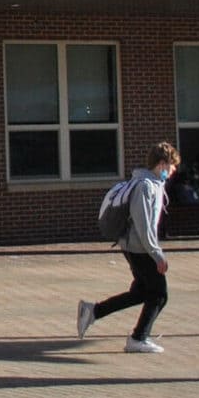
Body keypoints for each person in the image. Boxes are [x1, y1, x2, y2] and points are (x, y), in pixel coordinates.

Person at [77, 143, 178, 353]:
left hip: (136, 247)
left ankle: (93, 311)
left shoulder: (150, 184)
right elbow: (144, 224)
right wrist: (157, 254)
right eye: (172, 165)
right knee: (159, 294)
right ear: (162, 165)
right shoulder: (145, 186)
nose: (174, 170)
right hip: (139, 249)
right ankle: (138, 338)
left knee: (142, 292)